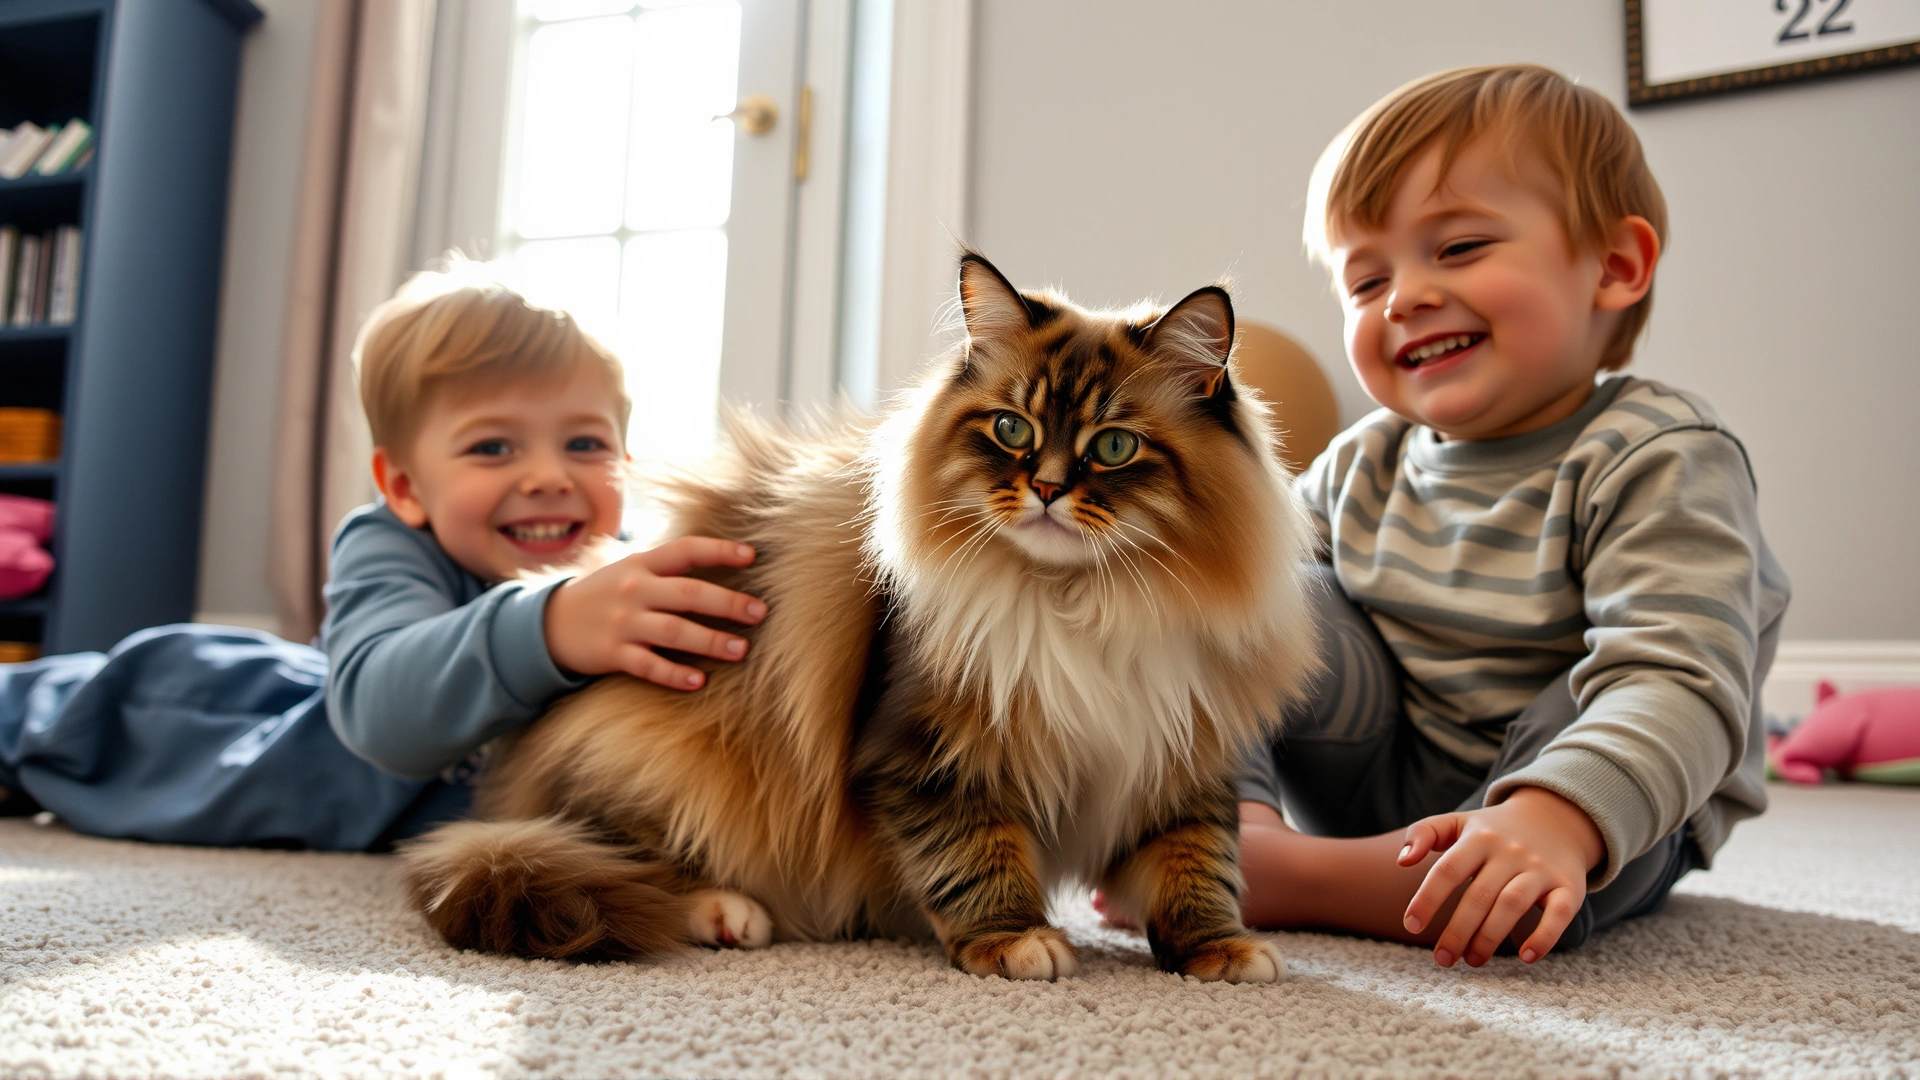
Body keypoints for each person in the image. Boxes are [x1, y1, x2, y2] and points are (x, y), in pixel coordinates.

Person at [1227, 65, 1790, 968]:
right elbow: (1220, 619)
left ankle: (1296, 879)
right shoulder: (1360, 463)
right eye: (1365, 283)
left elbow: (1681, 679)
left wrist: (1556, 818)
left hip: (1594, 816)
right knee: (1261, 595)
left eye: (1456, 250)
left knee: (1609, 691)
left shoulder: (1659, 452)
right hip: (1384, 776)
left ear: (1614, 267)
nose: (1403, 296)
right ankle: (1240, 838)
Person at [0, 265, 766, 850]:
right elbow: (382, 715)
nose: (547, 476)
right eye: (493, 446)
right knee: (77, 717)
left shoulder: (620, 581)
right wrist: (549, 627)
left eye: (585, 444)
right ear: (404, 485)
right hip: (245, 732)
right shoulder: (390, 546)